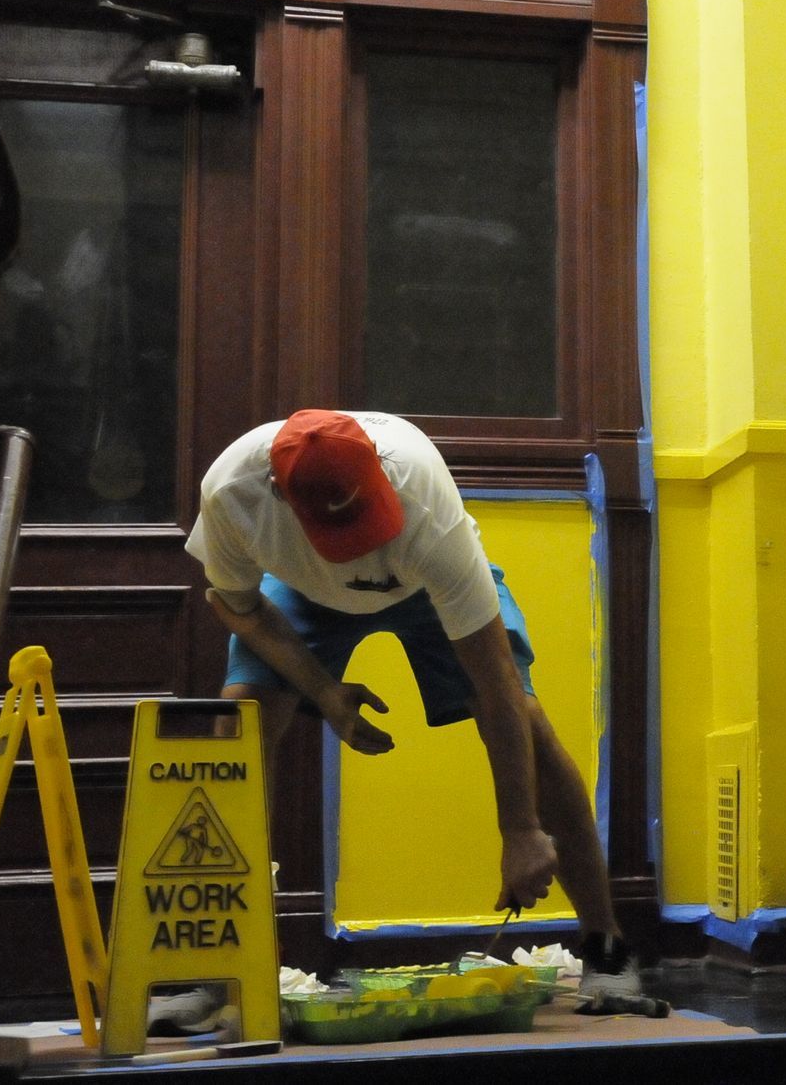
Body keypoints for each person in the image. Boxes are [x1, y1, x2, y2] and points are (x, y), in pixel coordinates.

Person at [184, 408, 639, 998]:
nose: (355, 552)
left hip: (421, 585)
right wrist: (323, 690)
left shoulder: (420, 492)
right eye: (338, 533)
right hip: (300, 589)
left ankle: (607, 948)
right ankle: (229, 971)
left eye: (362, 520)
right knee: (237, 721)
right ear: (278, 492)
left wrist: (521, 828)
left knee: (526, 720)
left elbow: (494, 680)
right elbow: (235, 605)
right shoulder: (231, 492)